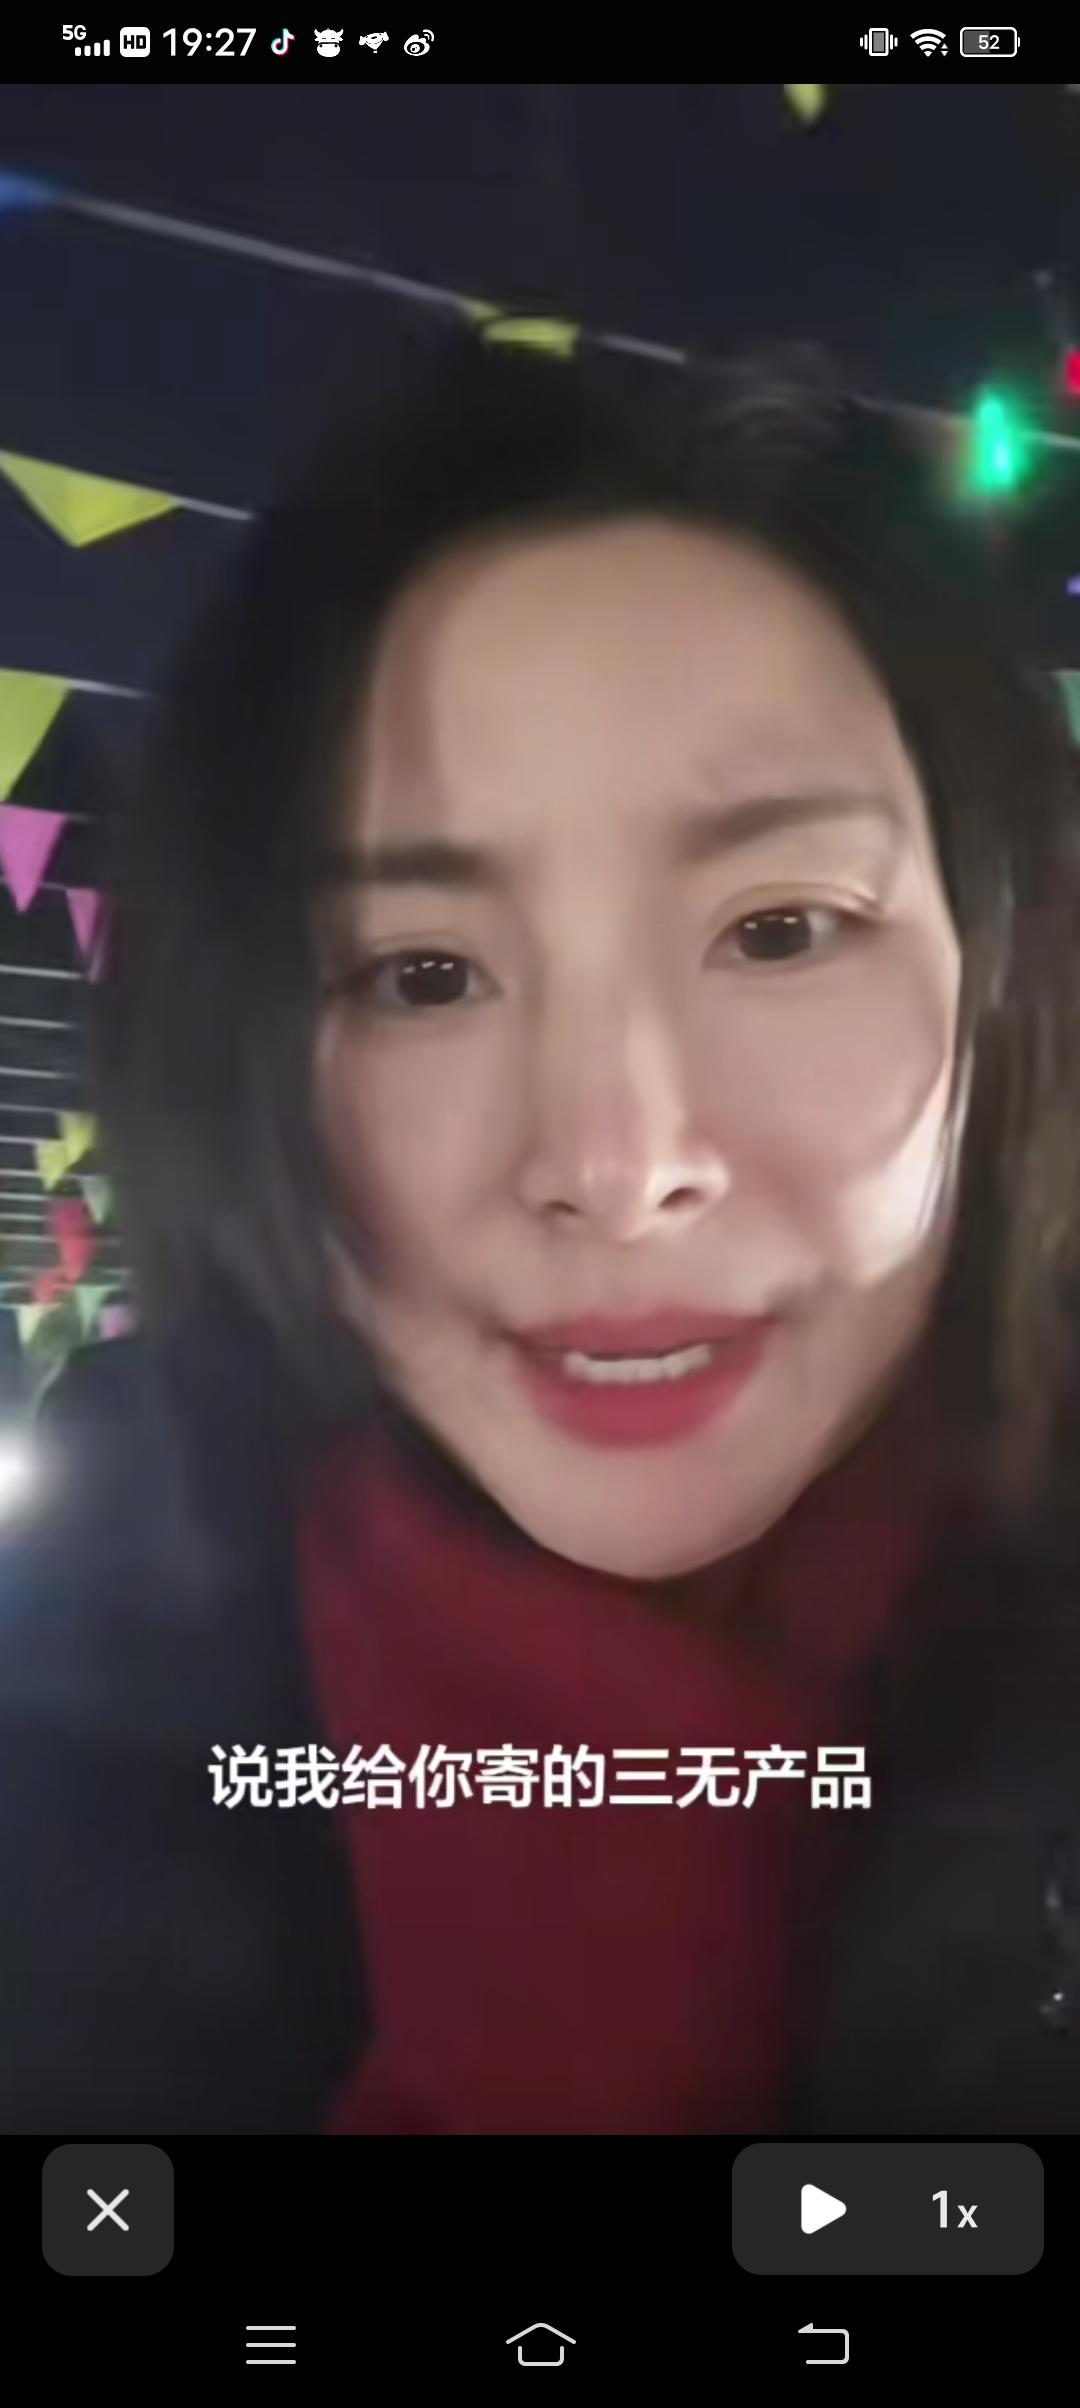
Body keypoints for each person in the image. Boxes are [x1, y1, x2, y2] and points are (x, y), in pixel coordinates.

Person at [2, 316, 1080, 2136]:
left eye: (781, 930)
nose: (616, 1160)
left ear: (1001, 980)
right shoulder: (74, 1707)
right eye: (422, 974)